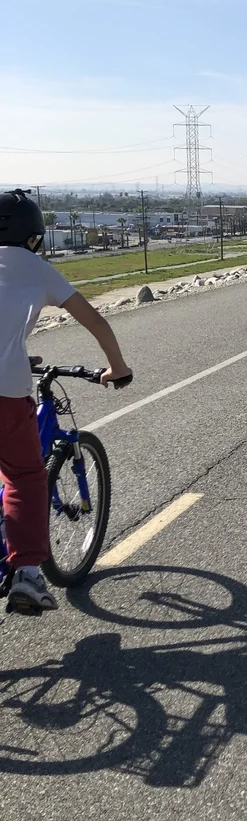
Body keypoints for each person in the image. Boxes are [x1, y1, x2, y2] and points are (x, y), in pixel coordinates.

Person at [0, 190, 133, 613]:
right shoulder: (38, 269)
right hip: (6, 393)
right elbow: (94, 319)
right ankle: (27, 575)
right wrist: (117, 366)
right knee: (24, 476)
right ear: (32, 236)